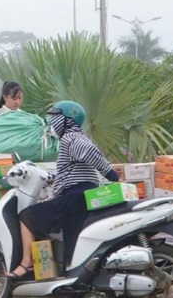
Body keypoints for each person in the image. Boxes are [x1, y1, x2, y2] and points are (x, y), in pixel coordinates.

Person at [7, 101, 119, 280]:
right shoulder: (73, 138)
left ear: (67, 120)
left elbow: (91, 154)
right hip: (77, 197)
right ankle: (61, 274)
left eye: (55, 118)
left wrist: (112, 174)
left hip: (74, 198)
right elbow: (69, 171)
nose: (51, 123)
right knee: (70, 238)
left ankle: (26, 264)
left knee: (27, 217)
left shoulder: (72, 138)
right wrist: (50, 177)